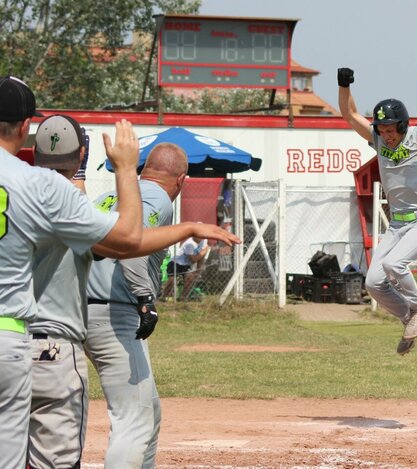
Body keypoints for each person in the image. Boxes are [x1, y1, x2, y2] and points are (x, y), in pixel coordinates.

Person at [0, 76, 144, 469]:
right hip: (33, 343)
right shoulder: (41, 189)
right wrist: (126, 169)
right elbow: (128, 238)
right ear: (24, 128)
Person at [85, 142, 241, 469]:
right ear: (181, 181)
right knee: (134, 419)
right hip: (113, 312)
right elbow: (133, 243)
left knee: (148, 410)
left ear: (143, 170)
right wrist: (145, 298)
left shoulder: (109, 197)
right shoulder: (157, 197)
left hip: (80, 309)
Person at [337, 67, 417, 356]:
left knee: (394, 266)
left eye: (391, 130)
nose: (387, 136)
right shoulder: (379, 140)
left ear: (403, 126)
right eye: (382, 130)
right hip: (397, 225)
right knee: (374, 282)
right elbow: (350, 114)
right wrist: (344, 86)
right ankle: (409, 319)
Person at [161, 235, 210, 299]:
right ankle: (164, 296)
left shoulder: (204, 241)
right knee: (172, 280)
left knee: (190, 278)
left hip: (186, 265)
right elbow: (193, 259)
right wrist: (204, 251)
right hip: (176, 263)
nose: (201, 236)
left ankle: (183, 298)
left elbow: (201, 258)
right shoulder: (189, 243)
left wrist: (198, 271)